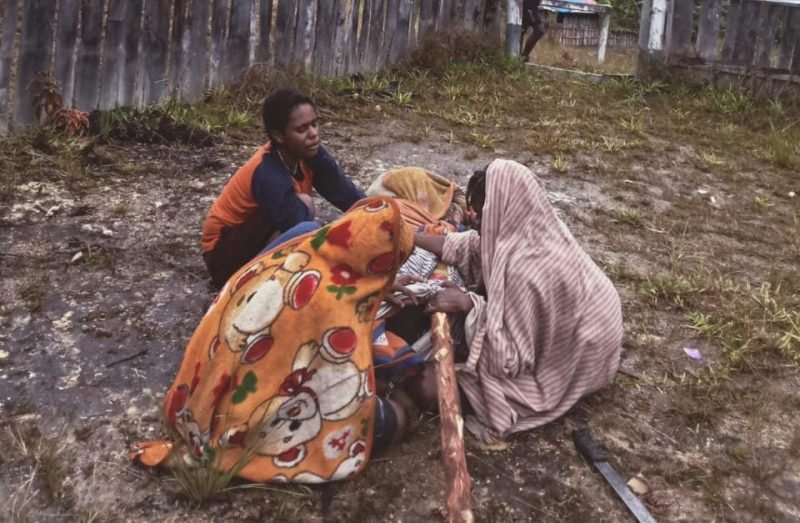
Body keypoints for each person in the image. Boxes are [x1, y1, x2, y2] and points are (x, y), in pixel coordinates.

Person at [132, 197, 419, 482]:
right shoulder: (336, 307)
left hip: (205, 385)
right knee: (395, 418)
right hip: (248, 414)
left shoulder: (299, 249)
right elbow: (336, 380)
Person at [416, 159, 623, 442]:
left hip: (576, 363)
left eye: (480, 210)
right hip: (596, 336)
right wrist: (411, 237)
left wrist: (469, 304)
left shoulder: (524, 267)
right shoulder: (529, 225)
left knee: (427, 385)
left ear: (499, 206)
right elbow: (469, 247)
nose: (474, 217)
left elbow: (508, 359)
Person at [201, 89, 366, 288]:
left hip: (259, 237)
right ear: (279, 136)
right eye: (302, 129)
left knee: (319, 218)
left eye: (314, 124)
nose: (313, 134)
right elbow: (301, 228)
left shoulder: (310, 154)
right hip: (223, 256)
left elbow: (348, 196)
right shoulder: (267, 171)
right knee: (310, 222)